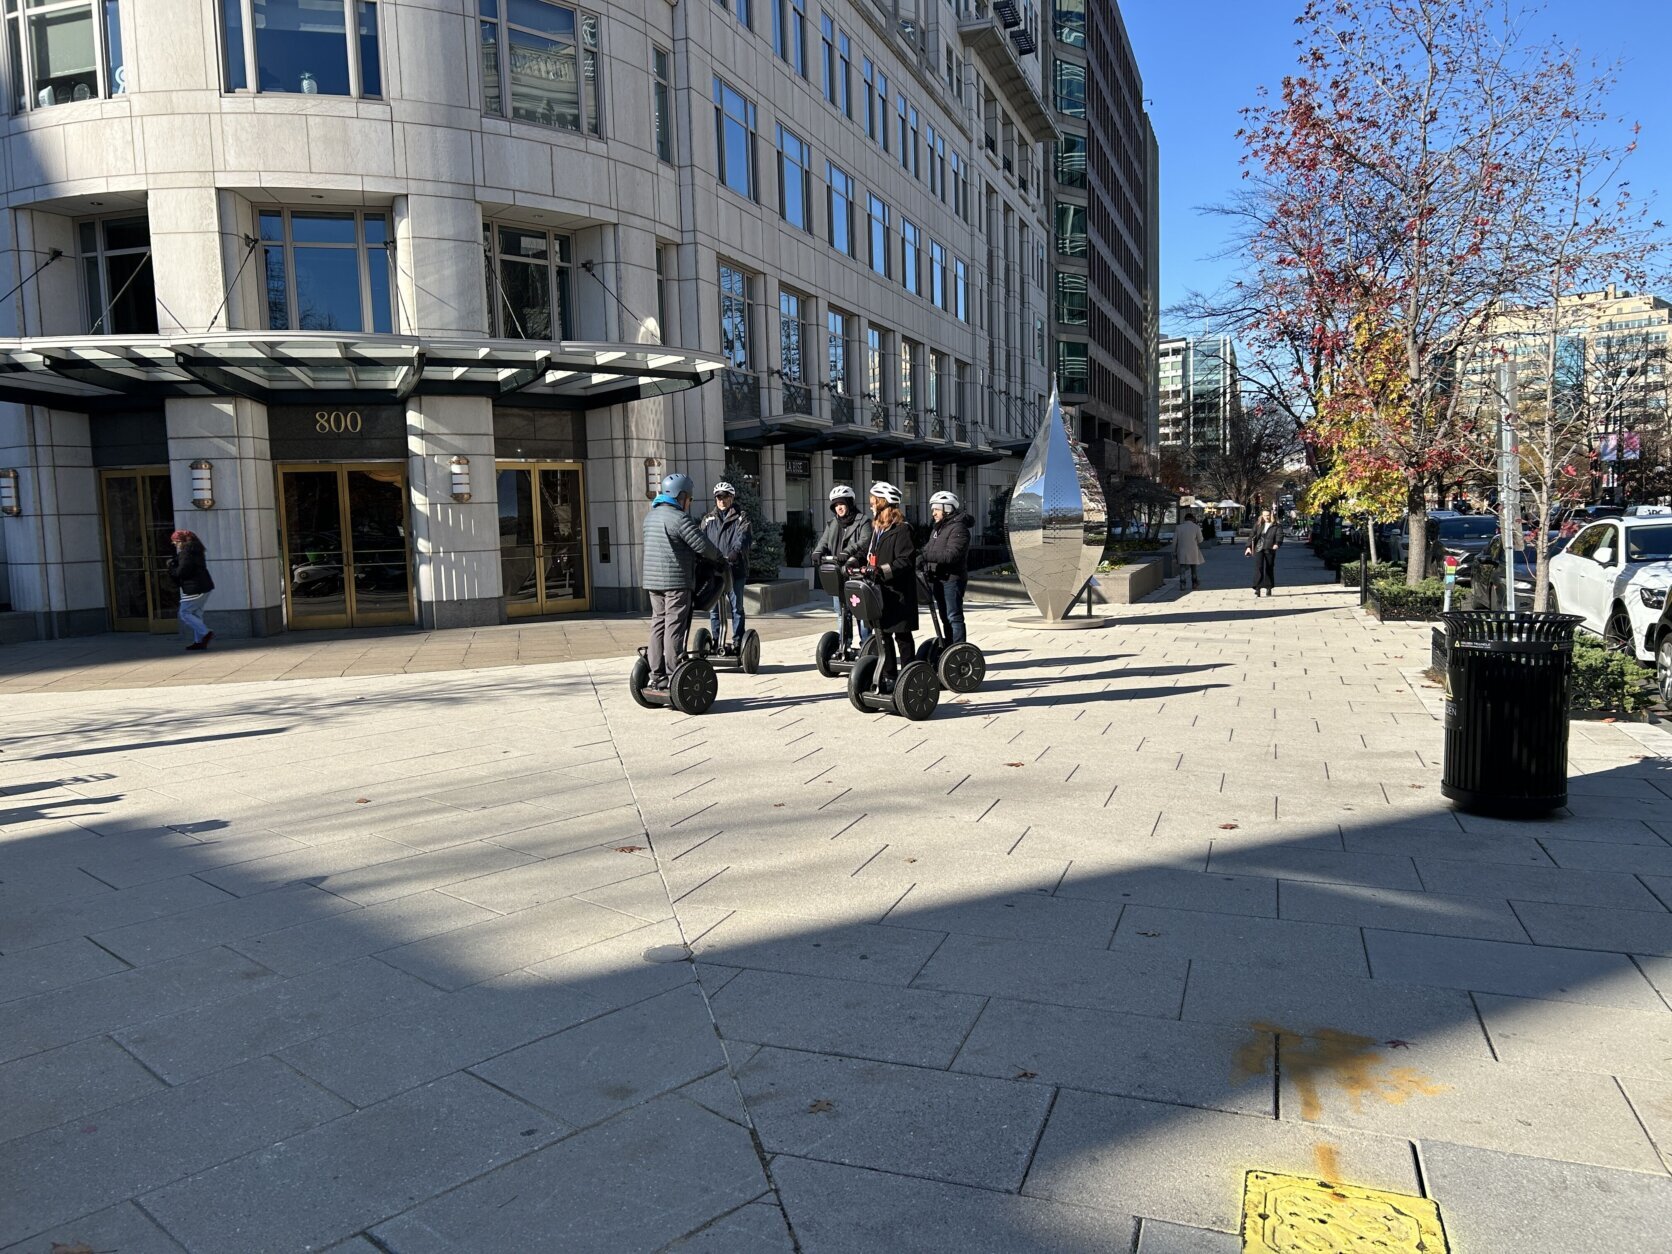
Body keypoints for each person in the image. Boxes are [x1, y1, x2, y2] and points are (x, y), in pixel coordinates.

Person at [640, 474, 723, 690]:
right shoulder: (679, 518)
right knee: (674, 626)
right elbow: (702, 545)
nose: (689, 503)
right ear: (682, 496)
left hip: (653, 582)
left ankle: (656, 675)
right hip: (676, 582)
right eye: (690, 499)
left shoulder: (650, 517)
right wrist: (719, 558)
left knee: (658, 624)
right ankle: (673, 673)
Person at [865, 482, 918, 684]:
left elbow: (906, 560)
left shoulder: (902, 529)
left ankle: (909, 677)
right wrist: (855, 560)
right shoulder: (878, 530)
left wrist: (883, 570)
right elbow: (869, 553)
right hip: (881, 592)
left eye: (873, 501)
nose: (871, 505)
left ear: (882, 503)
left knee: (902, 636)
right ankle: (889, 676)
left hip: (899, 593)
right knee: (882, 635)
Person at [809, 484, 874, 637]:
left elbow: (865, 541)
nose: (839, 508)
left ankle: (866, 643)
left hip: (857, 573)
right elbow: (824, 541)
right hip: (838, 574)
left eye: (842, 504)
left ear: (850, 503)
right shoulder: (833, 523)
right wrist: (817, 551)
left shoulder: (863, 521)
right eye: (836, 505)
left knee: (861, 612)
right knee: (841, 612)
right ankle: (844, 643)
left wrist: (848, 551)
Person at [701, 481, 752, 652]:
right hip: (714, 570)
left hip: (735, 569)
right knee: (714, 609)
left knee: (737, 608)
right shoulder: (708, 519)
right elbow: (701, 539)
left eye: (724, 497)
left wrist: (736, 551)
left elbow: (743, 537)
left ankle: (738, 642)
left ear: (732, 498)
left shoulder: (741, 517)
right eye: (718, 497)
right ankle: (716, 641)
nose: (721, 501)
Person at [921, 490, 973, 642]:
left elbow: (951, 555)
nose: (933, 513)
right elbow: (928, 549)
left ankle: (958, 648)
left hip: (952, 579)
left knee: (953, 616)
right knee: (944, 616)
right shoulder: (938, 528)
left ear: (948, 508)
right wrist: (918, 556)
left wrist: (924, 556)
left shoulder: (959, 529)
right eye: (933, 509)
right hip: (938, 578)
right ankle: (949, 646)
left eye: (937, 509)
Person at [167, 529, 215, 651]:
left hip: (194, 588)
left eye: (175, 541)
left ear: (182, 541)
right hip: (204, 587)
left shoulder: (186, 553)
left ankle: (206, 633)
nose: (174, 544)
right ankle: (199, 642)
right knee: (196, 614)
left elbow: (182, 572)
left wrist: (171, 568)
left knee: (184, 613)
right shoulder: (197, 551)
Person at [1245, 508, 1284, 596]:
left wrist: (1277, 543)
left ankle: (1268, 587)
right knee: (1259, 567)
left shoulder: (1276, 525)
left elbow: (1280, 535)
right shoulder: (1258, 524)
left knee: (1269, 567)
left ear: (1271, 515)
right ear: (1262, 516)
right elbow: (1252, 535)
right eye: (1264, 515)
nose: (1266, 517)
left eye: (1268, 515)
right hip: (1259, 547)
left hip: (1270, 548)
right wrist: (1248, 547)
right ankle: (1257, 588)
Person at [1173, 511, 1205, 592]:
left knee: (1182, 568)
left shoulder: (1178, 527)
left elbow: (1174, 541)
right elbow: (1200, 540)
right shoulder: (1196, 527)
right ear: (1192, 519)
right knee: (1193, 568)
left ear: (1185, 519)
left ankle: (1182, 584)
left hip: (1181, 550)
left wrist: (1174, 551)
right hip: (1193, 550)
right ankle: (1194, 583)